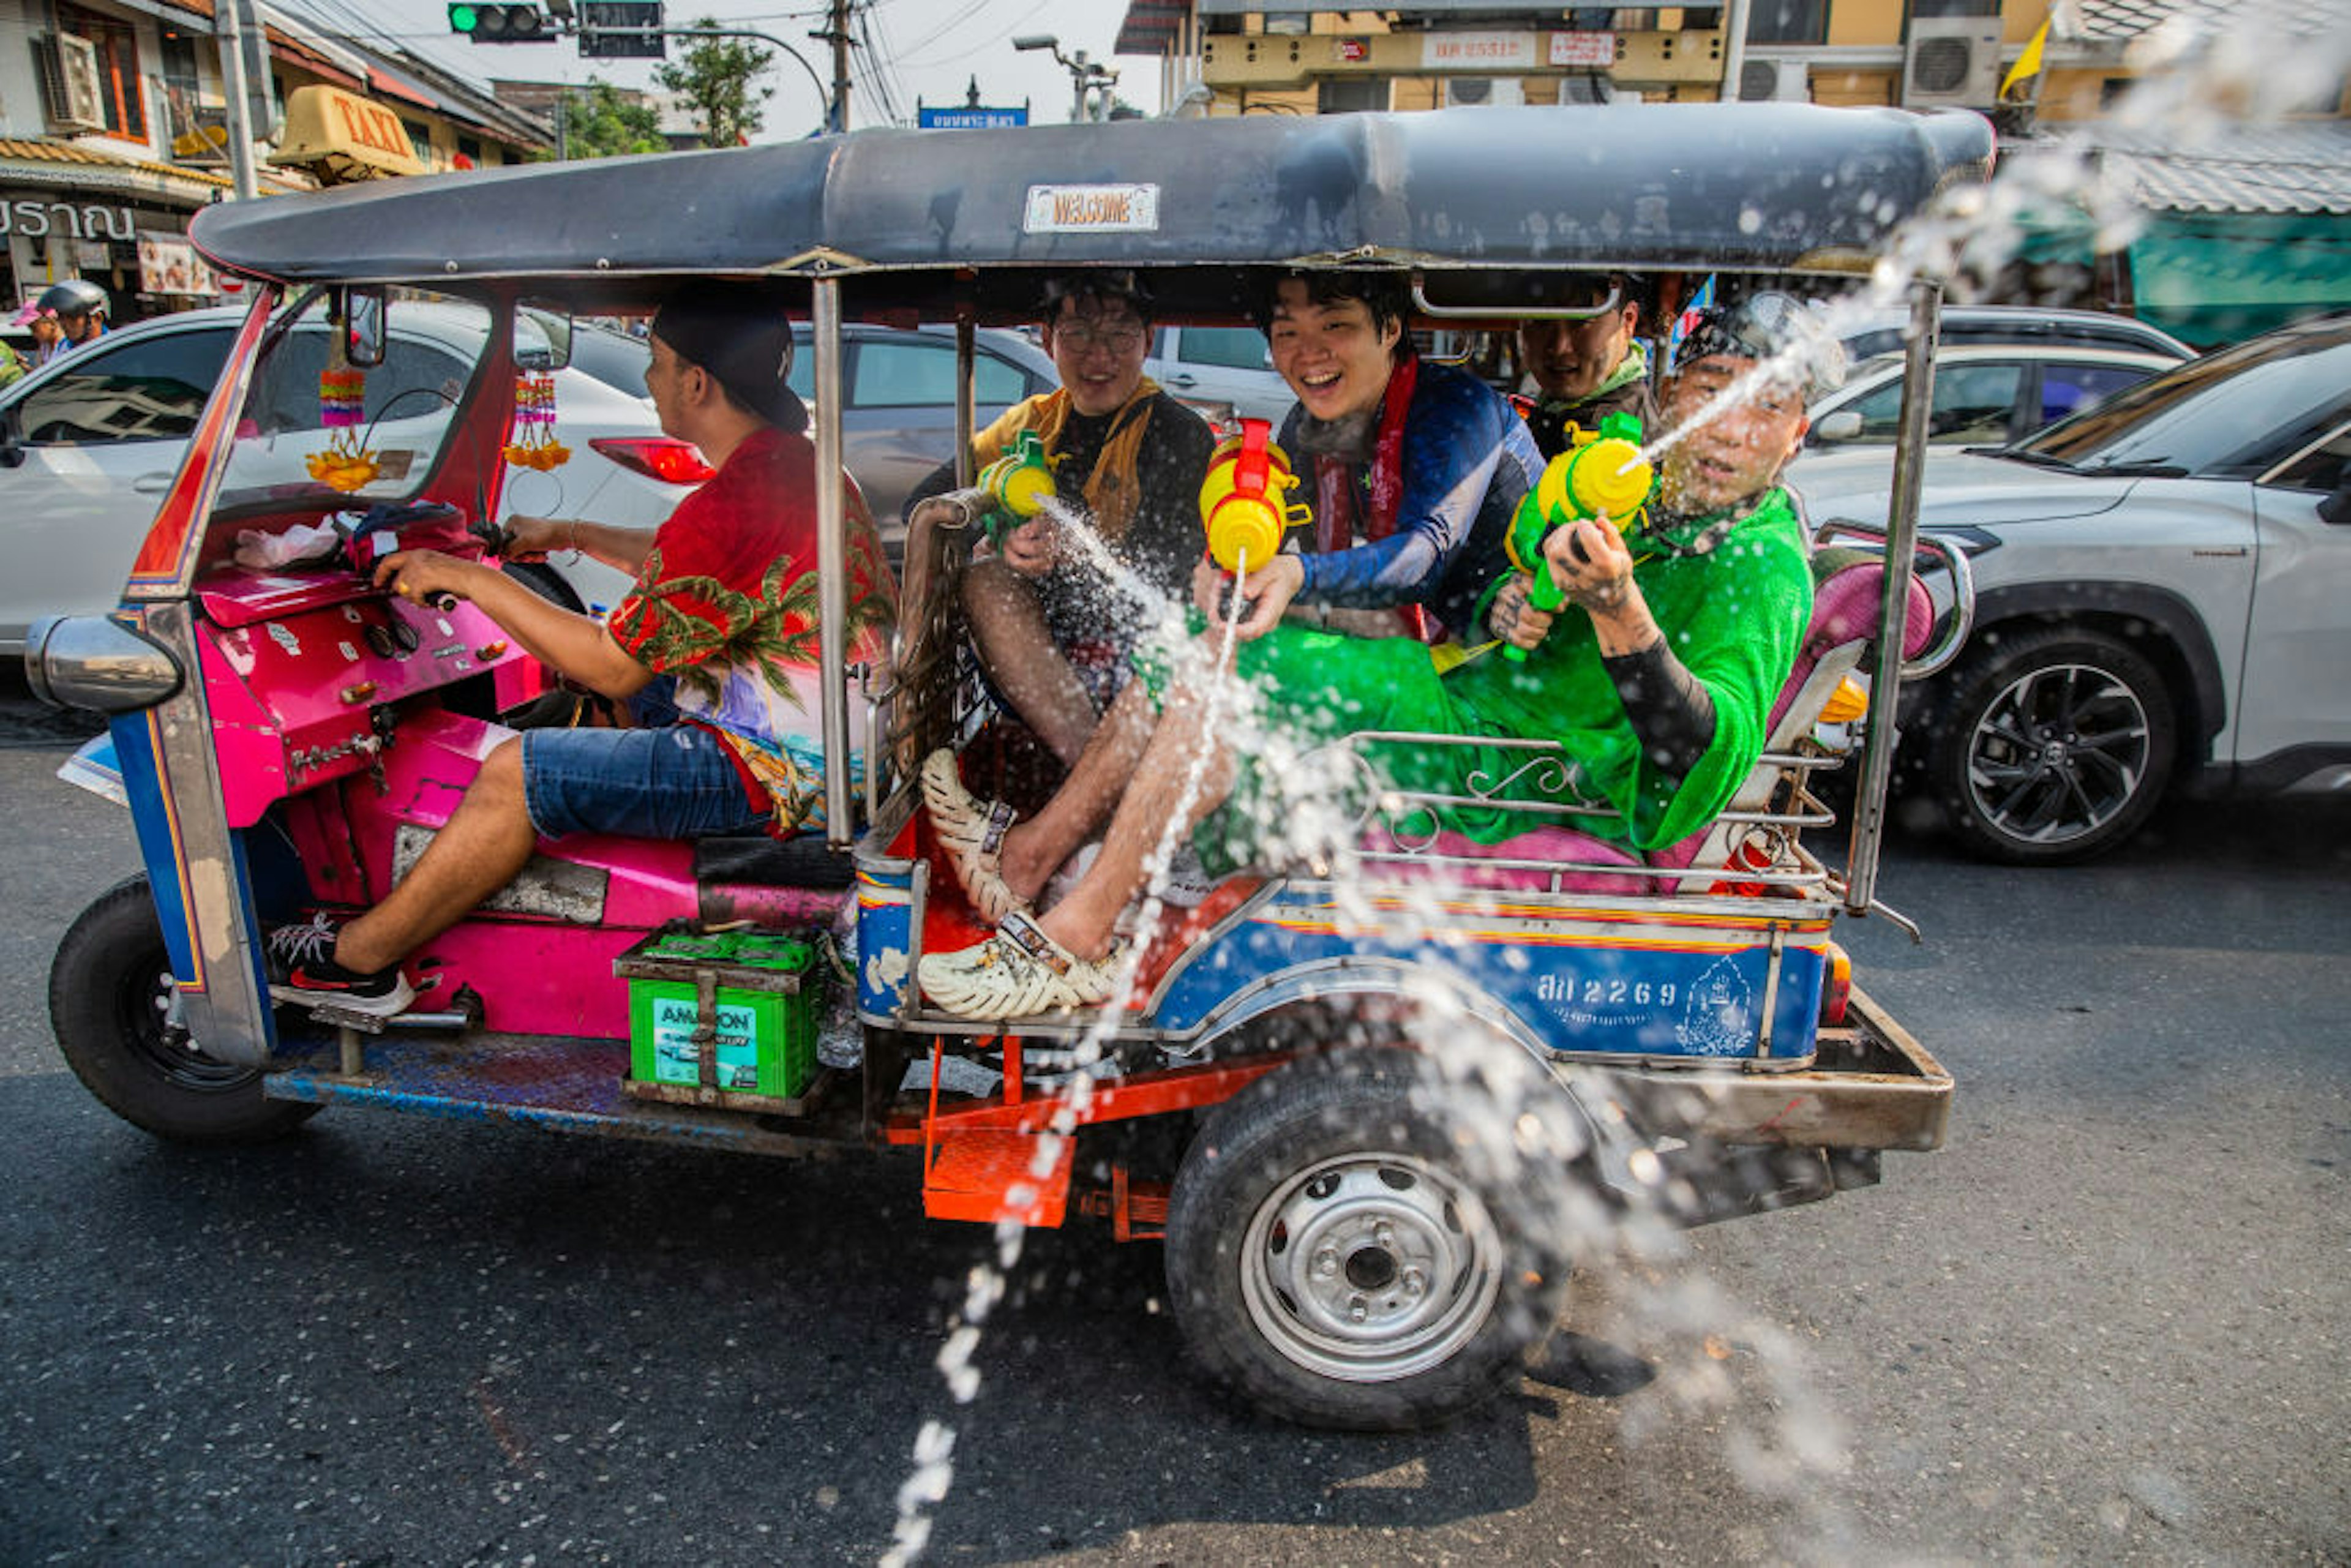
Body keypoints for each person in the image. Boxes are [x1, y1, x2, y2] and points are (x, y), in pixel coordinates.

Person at [911, 292, 1840, 1019]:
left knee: (1233, 672)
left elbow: (1702, 764)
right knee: (1210, 643)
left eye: (1767, 406)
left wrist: (1622, 615)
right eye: (1710, 389)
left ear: (1798, 431)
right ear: (1673, 389)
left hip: (1523, 768)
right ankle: (1037, 856)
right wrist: (1520, 600)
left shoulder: (1761, 563)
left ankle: (1075, 929)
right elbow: (1498, 584)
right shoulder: (1651, 495)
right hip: (1474, 694)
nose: (1727, 426)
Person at [264, 290, 896, 1016]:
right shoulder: (795, 467)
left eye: (658, 366)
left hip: (782, 774)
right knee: (617, 688)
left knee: (515, 771)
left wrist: (467, 577)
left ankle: (360, 964)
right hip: (838, 746)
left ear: (697, 382)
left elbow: (610, 663)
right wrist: (566, 533)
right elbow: (683, 565)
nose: (650, 383)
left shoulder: (734, 502)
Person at [902, 272, 1213, 773]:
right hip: (1031, 660)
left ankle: (1091, 785)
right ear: (1047, 340)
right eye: (1079, 334)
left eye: (1119, 335)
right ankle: (1097, 774)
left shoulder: (1180, 433)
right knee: (985, 580)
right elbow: (922, 506)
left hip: (1140, 660)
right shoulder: (1029, 423)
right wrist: (997, 541)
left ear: (1148, 342)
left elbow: (1173, 577)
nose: (1100, 356)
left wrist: (1081, 549)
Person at [1221, 269, 1543, 645]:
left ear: (1390, 329)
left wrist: (1298, 576)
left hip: (1518, 653)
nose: (1309, 353)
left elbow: (1421, 559)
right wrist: (1228, 568)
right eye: (1288, 333)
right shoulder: (1303, 426)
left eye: (1334, 325)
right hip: (1427, 645)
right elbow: (1281, 536)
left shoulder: (1454, 409)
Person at [1514, 272, 1655, 460]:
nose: (1559, 347)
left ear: (1628, 321)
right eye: (1541, 321)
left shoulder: (1615, 442)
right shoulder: (1557, 412)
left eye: (1580, 322)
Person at [39, 279, 108, 358]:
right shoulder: (61, 349)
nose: (65, 324)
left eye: (72, 317)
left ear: (97, 318)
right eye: (61, 317)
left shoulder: (115, 348)